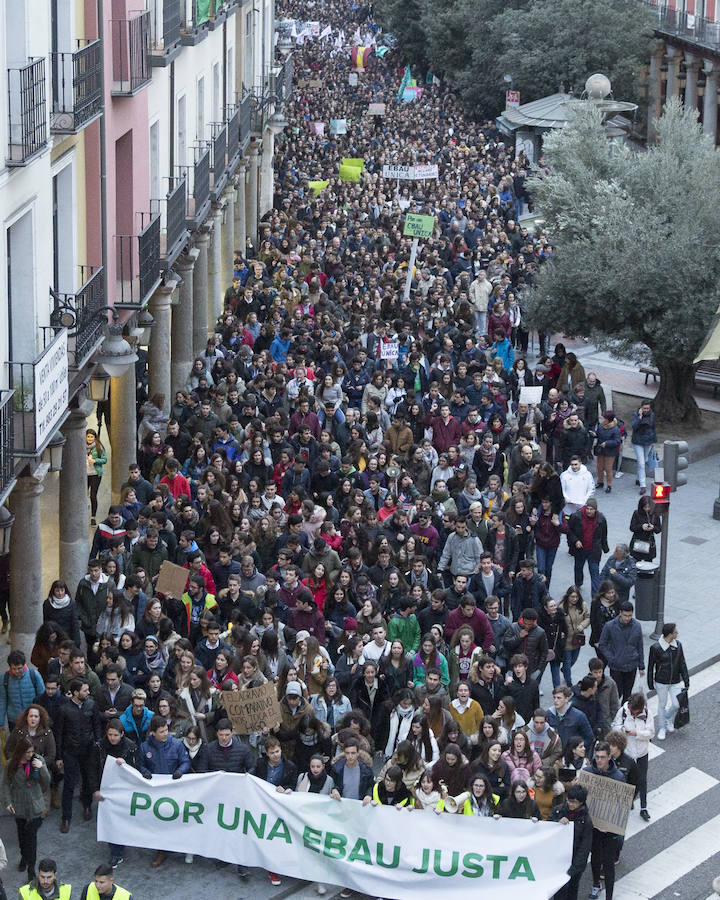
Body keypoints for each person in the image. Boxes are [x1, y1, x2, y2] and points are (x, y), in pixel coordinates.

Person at [139, 715, 191, 867]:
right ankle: (162, 849)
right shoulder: (144, 747)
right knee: (159, 820)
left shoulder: (177, 745)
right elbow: (140, 765)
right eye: (161, 731)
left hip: (174, 789)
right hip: (155, 791)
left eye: (166, 730)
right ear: (153, 733)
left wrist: (180, 771)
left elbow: (185, 761)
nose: (165, 734)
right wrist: (144, 772)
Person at [90, 718, 140, 868]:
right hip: (106, 789)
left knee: (122, 820)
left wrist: (126, 765)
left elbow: (137, 767)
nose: (112, 738)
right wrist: (95, 789)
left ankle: (121, 845)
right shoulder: (99, 746)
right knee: (111, 821)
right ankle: (116, 852)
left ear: (122, 734)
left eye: (115, 735)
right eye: (110, 734)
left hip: (124, 790)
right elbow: (92, 769)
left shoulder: (130, 747)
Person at [56, 678, 102, 833]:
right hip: (70, 751)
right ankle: (66, 817)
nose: (88, 693)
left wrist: (97, 743)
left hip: (88, 750)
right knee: (69, 784)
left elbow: (96, 725)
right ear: (76, 693)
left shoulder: (91, 705)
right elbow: (59, 734)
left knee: (88, 781)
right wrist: (59, 756)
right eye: (85, 690)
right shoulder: (64, 710)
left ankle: (87, 806)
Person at [0, 737, 49, 882]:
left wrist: (42, 767)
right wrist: (7, 802)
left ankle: (31, 868)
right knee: (22, 836)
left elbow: (47, 781)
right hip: (19, 805)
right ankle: (24, 856)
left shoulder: (37, 761)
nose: (30, 754)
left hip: (35, 806)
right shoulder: (12, 764)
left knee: (31, 837)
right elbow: (5, 784)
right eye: (27, 752)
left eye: (32, 751)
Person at [584, 742, 626, 900]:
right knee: (595, 857)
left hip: (610, 829)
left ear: (609, 757)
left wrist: (609, 825)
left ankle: (609, 895)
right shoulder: (588, 773)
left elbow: (622, 805)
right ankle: (596, 884)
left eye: (603, 757)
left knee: (608, 863)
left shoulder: (618, 777)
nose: (599, 760)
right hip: (593, 826)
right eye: (597, 757)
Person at [612, 692, 654, 822]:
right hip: (628, 753)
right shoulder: (623, 712)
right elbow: (614, 727)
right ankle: (628, 801)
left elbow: (651, 732)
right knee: (627, 779)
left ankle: (643, 807)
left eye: (637, 712)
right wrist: (622, 729)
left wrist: (637, 733)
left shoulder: (647, 714)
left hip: (642, 752)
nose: (635, 715)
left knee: (642, 780)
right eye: (633, 712)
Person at [549, 784, 593, 900]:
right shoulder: (558, 810)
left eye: (574, 802)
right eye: (569, 800)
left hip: (574, 864)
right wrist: (557, 821)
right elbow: (547, 827)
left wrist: (574, 869)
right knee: (559, 892)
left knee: (572, 891)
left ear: (581, 803)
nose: (570, 804)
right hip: (558, 859)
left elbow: (585, 847)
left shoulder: (586, 821)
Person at [647, 622, 689, 740]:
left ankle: (667, 718)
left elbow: (682, 663)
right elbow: (651, 666)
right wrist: (650, 682)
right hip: (661, 681)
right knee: (662, 704)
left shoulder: (678, 645)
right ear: (670, 634)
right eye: (675, 632)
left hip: (675, 680)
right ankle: (662, 727)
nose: (677, 633)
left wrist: (686, 679)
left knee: (676, 704)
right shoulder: (656, 648)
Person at [598, 601, 645, 703]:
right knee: (616, 693)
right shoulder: (610, 626)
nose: (627, 618)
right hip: (616, 667)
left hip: (631, 666)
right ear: (620, 613)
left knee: (628, 694)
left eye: (630, 616)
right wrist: (612, 658)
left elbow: (640, 645)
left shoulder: (637, 626)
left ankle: (624, 714)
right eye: (625, 615)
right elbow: (602, 644)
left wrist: (641, 666)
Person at [567, 498, 608, 596]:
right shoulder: (576, 516)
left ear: (595, 510)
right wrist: (575, 541)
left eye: (591, 509)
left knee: (594, 572)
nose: (589, 511)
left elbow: (604, 534)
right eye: (587, 508)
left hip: (594, 550)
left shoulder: (601, 519)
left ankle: (595, 596)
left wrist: (605, 547)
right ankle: (578, 583)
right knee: (578, 568)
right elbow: (569, 531)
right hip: (580, 549)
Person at [0, 651, 44, 731]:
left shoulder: (34, 675)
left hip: (33, 718)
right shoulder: (4, 678)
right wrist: (1, 722)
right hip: (14, 720)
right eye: (14, 669)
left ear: (24, 665)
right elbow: (2, 700)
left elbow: (43, 697)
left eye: (19, 668)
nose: (16, 671)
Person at [546, 685, 594, 750]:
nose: (555, 700)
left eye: (559, 698)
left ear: (566, 699)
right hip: (554, 754)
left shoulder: (579, 716)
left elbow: (589, 737)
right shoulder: (549, 714)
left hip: (571, 755)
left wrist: (577, 749)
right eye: (554, 697)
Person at [630, 401, 656, 495]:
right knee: (641, 463)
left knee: (644, 461)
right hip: (638, 442)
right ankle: (643, 485)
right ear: (641, 408)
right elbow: (634, 426)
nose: (646, 410)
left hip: (648, 441)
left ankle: (638, 478)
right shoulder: (636, 415)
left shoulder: (652, 415)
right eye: (644, 408)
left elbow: (653, 428)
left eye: (647, 408)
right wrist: (640, 418)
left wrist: (654, 441)